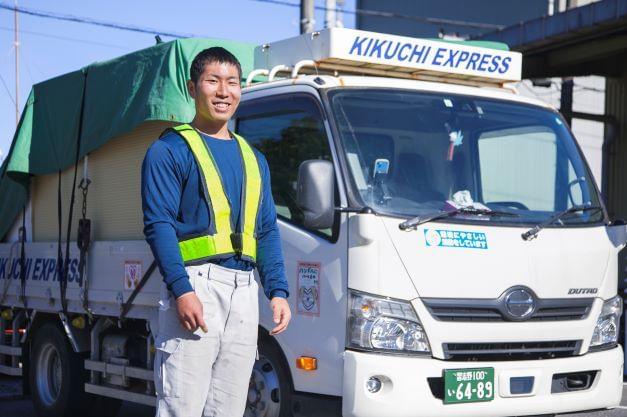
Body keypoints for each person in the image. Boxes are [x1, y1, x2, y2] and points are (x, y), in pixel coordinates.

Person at [141, 46, 291, 417]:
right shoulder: (169, 150)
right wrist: (182, 290)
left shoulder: (254, 158)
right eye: (213, 81)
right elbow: (158, 224)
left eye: (233, 82)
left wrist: (278, 290)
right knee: (182, 408)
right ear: (193, 88)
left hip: (244, 294)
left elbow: (267, 230)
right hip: (197, 287)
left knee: (228, 410)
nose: (224, 91)